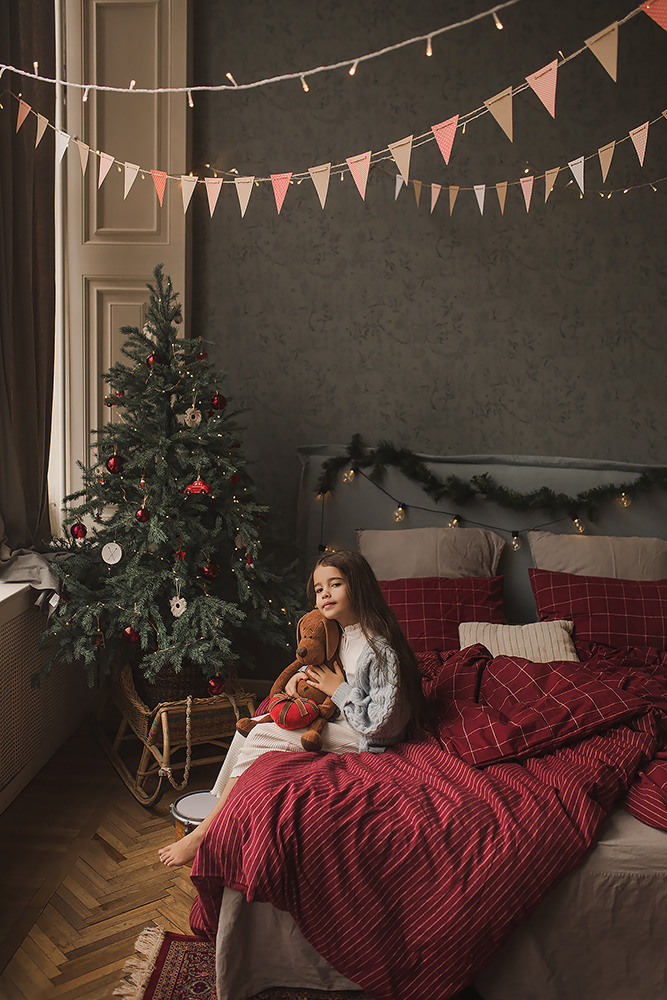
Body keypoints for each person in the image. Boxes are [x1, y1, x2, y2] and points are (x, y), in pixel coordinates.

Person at [158, 550, 429, 867]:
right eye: (318, 588)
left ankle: (207, 831)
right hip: (339, 716)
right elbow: (322, 670)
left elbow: (381, 723)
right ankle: (217, 805)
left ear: (359, 586)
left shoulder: (378, 647)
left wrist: (335, 689)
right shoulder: (339, 633)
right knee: (255, 724)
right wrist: (300, 680)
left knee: (261, 737)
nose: (324, 593)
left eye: (335, 584)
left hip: (365, 738)